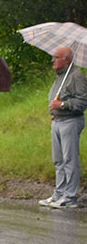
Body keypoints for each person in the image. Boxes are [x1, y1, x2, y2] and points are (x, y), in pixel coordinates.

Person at [40, 46, 87, 209]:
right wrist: (55, 111)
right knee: (58, 160)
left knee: (69, 159)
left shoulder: (76, 76)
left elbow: (83, 101)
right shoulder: (60, 76)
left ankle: (71, 196)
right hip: (57, 121)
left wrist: (62, 105)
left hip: (70, 121)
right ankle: (59, 193)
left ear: (66, 59)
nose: (52, 60)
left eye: (56, 57)